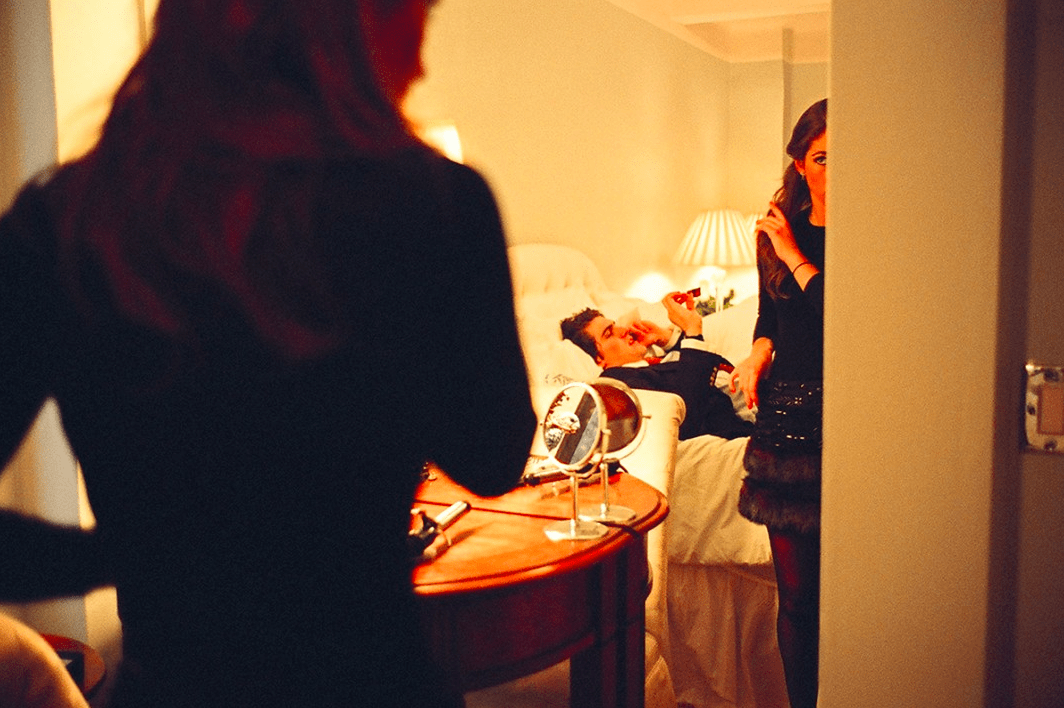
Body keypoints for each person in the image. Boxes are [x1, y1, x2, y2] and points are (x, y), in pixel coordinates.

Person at [0, 1, 536, 706]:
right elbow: (494, 458)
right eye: (417, 18)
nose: (420, 60)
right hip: (374, 682)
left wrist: (126, 554)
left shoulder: (65, 221)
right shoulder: (436, 205)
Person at [729, 98, 827, 708]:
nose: (836, 170)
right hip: (785, 426)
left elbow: (845, 317)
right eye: (822, 157)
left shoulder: (871, 230)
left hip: (851, 423)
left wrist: (795, 252)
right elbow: (771, 319)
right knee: (795, 598)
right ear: (799, 161)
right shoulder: (772, 231)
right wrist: (757, 352)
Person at [560, 293, 753, 441]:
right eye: (609, 333)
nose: (623, 329)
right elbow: (686, 412)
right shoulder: (619, 384)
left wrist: (667, 340)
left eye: (615, 325)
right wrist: (692, 333)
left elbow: (701, 370)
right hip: (734, 435)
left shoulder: (649, 364)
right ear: (598, 359)